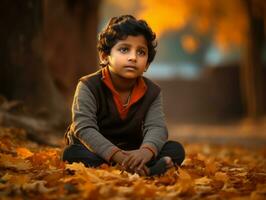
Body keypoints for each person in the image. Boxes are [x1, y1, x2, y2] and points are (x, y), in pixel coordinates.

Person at [62, 15, 185, 176]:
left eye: (141, 52)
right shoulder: (88, 86)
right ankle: (147, 170)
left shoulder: (152, 92)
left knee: (175, 149)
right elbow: (84, 128)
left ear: (147, 64)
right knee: (72, 154)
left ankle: (137, 167)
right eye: (124, 49)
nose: (133, 57)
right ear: (105, 56)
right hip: (95, 150)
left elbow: (156, 127)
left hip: (133, 150)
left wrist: (145, 152)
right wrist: (118, 156)